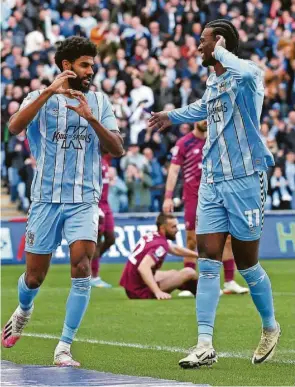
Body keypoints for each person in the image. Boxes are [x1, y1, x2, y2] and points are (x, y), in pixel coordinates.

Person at [149, 19, 280, 367]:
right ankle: (204, 343)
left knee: (248, 263)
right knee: (207, 260)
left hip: (245, 180)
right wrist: (170, 116)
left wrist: (221, 48)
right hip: (212, 181)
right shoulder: (213, 81)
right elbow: (202, 109)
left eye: (204, 41)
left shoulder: (247, 76)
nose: (198, 47)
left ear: (219, 42)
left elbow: (253, 73)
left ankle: (269, 327)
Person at [2, 37, 124, 367]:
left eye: (93, 65)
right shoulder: (37, 98)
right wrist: (46, 93)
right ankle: (24, 309)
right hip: (45, 199)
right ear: (67, 66)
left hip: (84, 199)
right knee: (34, 277)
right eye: (85, 64)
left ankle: (64, 347)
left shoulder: (99, 102)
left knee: (82, 266)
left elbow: (118, 148)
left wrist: (92, 119)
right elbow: (13, 128)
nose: (91, 70)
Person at [163, 121, 248, 296]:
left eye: (207, 117)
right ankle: (189, 281)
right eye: (201, 117)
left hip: (218, 195)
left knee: (228, 238)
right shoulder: (184, 143)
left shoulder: (217, 141)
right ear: (194, 119)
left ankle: (230, 282)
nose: (204, 121)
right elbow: (173, 171)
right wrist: (168, 196)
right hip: (193, 197)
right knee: (192, 239)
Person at [120, 213, 198, 300]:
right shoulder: (160, 245)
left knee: (173, 273)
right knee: (189, 272)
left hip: (132, 286)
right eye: (173, 227)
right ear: (163, 228)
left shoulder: (153, 236)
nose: (177, 230)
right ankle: (201, 293)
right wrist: (157, 292)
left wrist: (198, 255)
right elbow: (143, 267)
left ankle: (191, 289)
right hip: (140, 291)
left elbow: (174, 249)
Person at [90, 154, 115, 288]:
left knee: (111, 239)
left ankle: (92, 260)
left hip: (106, 204)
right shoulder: (91, 158)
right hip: (96, 204)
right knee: (97, 240)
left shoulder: (105, 160)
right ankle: (94, 276)